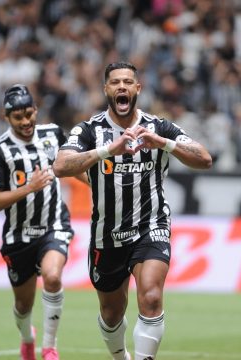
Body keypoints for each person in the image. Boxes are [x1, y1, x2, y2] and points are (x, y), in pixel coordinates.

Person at [53, 62, 213, 360]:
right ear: (107, 90)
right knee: (111, 313)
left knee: (151, 296)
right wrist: (107, 151)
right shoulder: (89, 130)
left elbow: (204, 158)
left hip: (151, 226)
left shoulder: (159, 126)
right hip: (107, 235)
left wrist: (163, 143)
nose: (122, 87)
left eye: (128, 81)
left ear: (138, 88)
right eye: (115, 82)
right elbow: (61, 166)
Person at [0, 84, 85, 360]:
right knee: (22, 306)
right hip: (18, 235)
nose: (26, 121)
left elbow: (71, 167)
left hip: (54, 225)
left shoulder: (52, 134)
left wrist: (98, 187)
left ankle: (50, 347)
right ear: (7, 117)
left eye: (29, 114)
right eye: (18, 117)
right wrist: (29, 187)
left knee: (52, 277)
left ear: (36, 110)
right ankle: (28, 337)